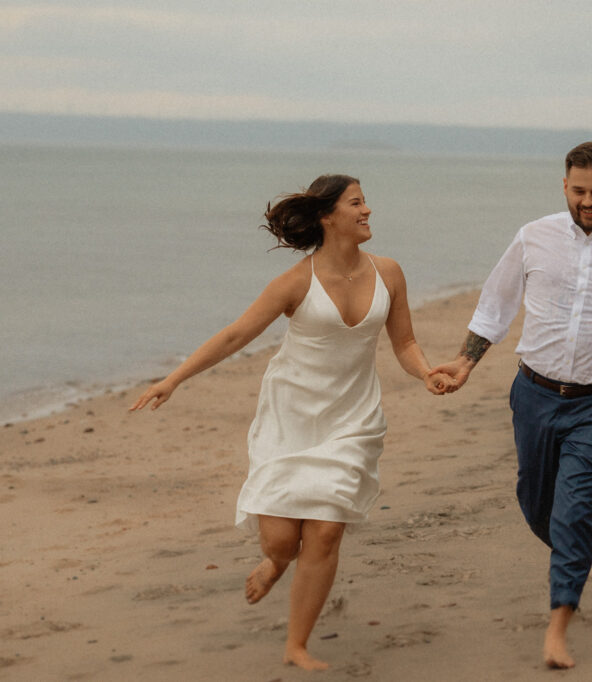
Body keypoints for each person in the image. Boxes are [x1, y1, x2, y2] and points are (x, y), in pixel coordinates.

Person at [129, 174, 451, 671]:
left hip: (353, 419)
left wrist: (426, 371)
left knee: (324, 533)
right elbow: (237, 334)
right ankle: (277, 562)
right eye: (357, 204)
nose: (368, 211)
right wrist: (174, 379)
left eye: (365, 203)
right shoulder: (297, 282)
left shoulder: (389, 273)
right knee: (282, 541)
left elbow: (404, 344)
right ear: (328, 216)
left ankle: (296, 644)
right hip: (290, 416)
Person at [430, 142, 592, 669]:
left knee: (574, 510)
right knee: (539, 506)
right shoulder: (533, 238)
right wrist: (465, 363)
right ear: (564, 187)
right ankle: (570, 560)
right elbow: (495, 306)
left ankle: (558, 624)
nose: (589, 201)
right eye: (579, 191)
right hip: (533, 394)